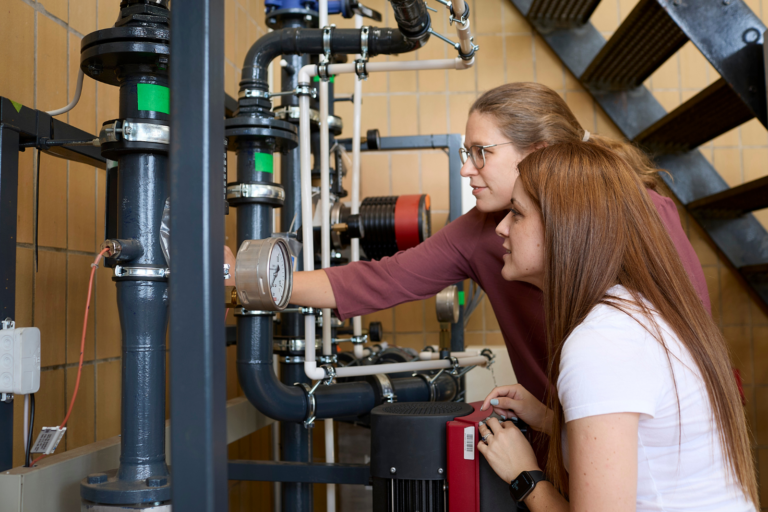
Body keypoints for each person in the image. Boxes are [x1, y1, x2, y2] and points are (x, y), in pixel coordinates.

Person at [288, 82, 710, 467]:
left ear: (539, 153)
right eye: (464, 153)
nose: (465, 170)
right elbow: (381, 279)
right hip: (566, 441)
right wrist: (262, 281)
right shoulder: (481, 230)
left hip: (665, 445)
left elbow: (690, 341)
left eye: (481, 153)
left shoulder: (642, 212)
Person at [476, 142, 757, 512]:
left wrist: (525, 476)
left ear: (566, 227)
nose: (500, 228)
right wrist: (548, 419)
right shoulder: (636, 312)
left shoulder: (602, 342)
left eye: (516, 213)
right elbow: (647, 446)